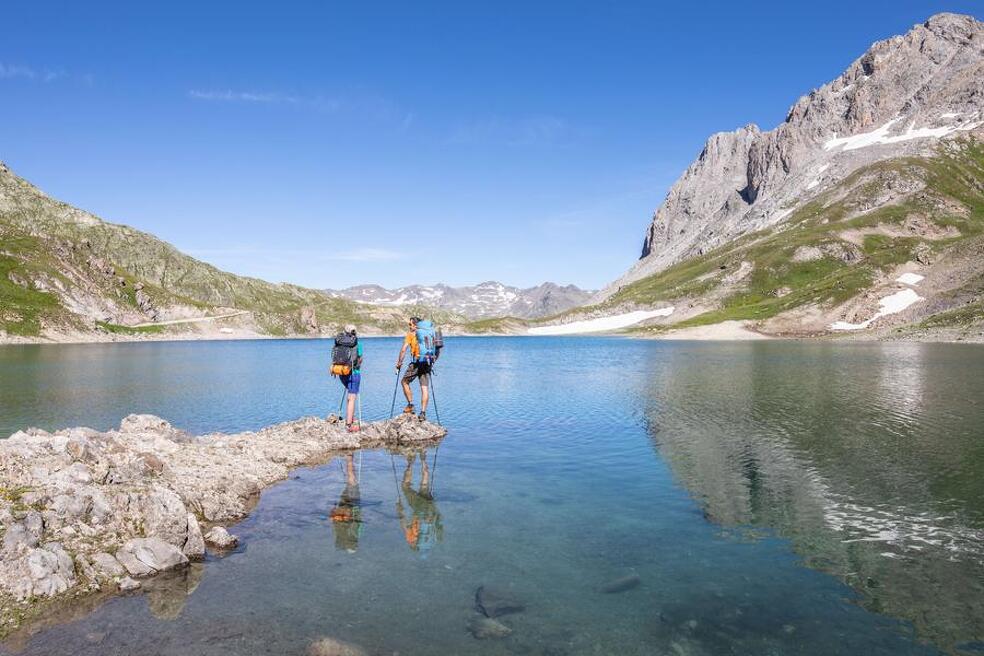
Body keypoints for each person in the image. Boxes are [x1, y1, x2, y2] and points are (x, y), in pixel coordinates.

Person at [395, 317, 430, 421]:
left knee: (404, 382)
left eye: (410, 324)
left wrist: (399, 363)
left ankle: (410, 405)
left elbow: (403, 350)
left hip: (416, 363)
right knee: (424, 388)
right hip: (426, 363)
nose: (409, 327)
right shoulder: (427, 334)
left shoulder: (411, 335)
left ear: (415, 325)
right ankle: (423, 413)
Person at [328, 453, 362, 553]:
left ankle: (349, 457)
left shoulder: (354, 533)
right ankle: (349, 458)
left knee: (352, 482)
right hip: (341, 507)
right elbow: (333, 518)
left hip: (352, 505)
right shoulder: (339, 532)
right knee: (350, 483)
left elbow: (357, 519)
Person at [334, 324, 363, 432]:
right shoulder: (357, 343)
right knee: (352, 398)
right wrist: (358, 364)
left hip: (342, 372)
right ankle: (349, 425)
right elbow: (360, 359)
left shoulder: (340, 342)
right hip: (353, 372)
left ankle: (350, 417)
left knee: (349, 397)